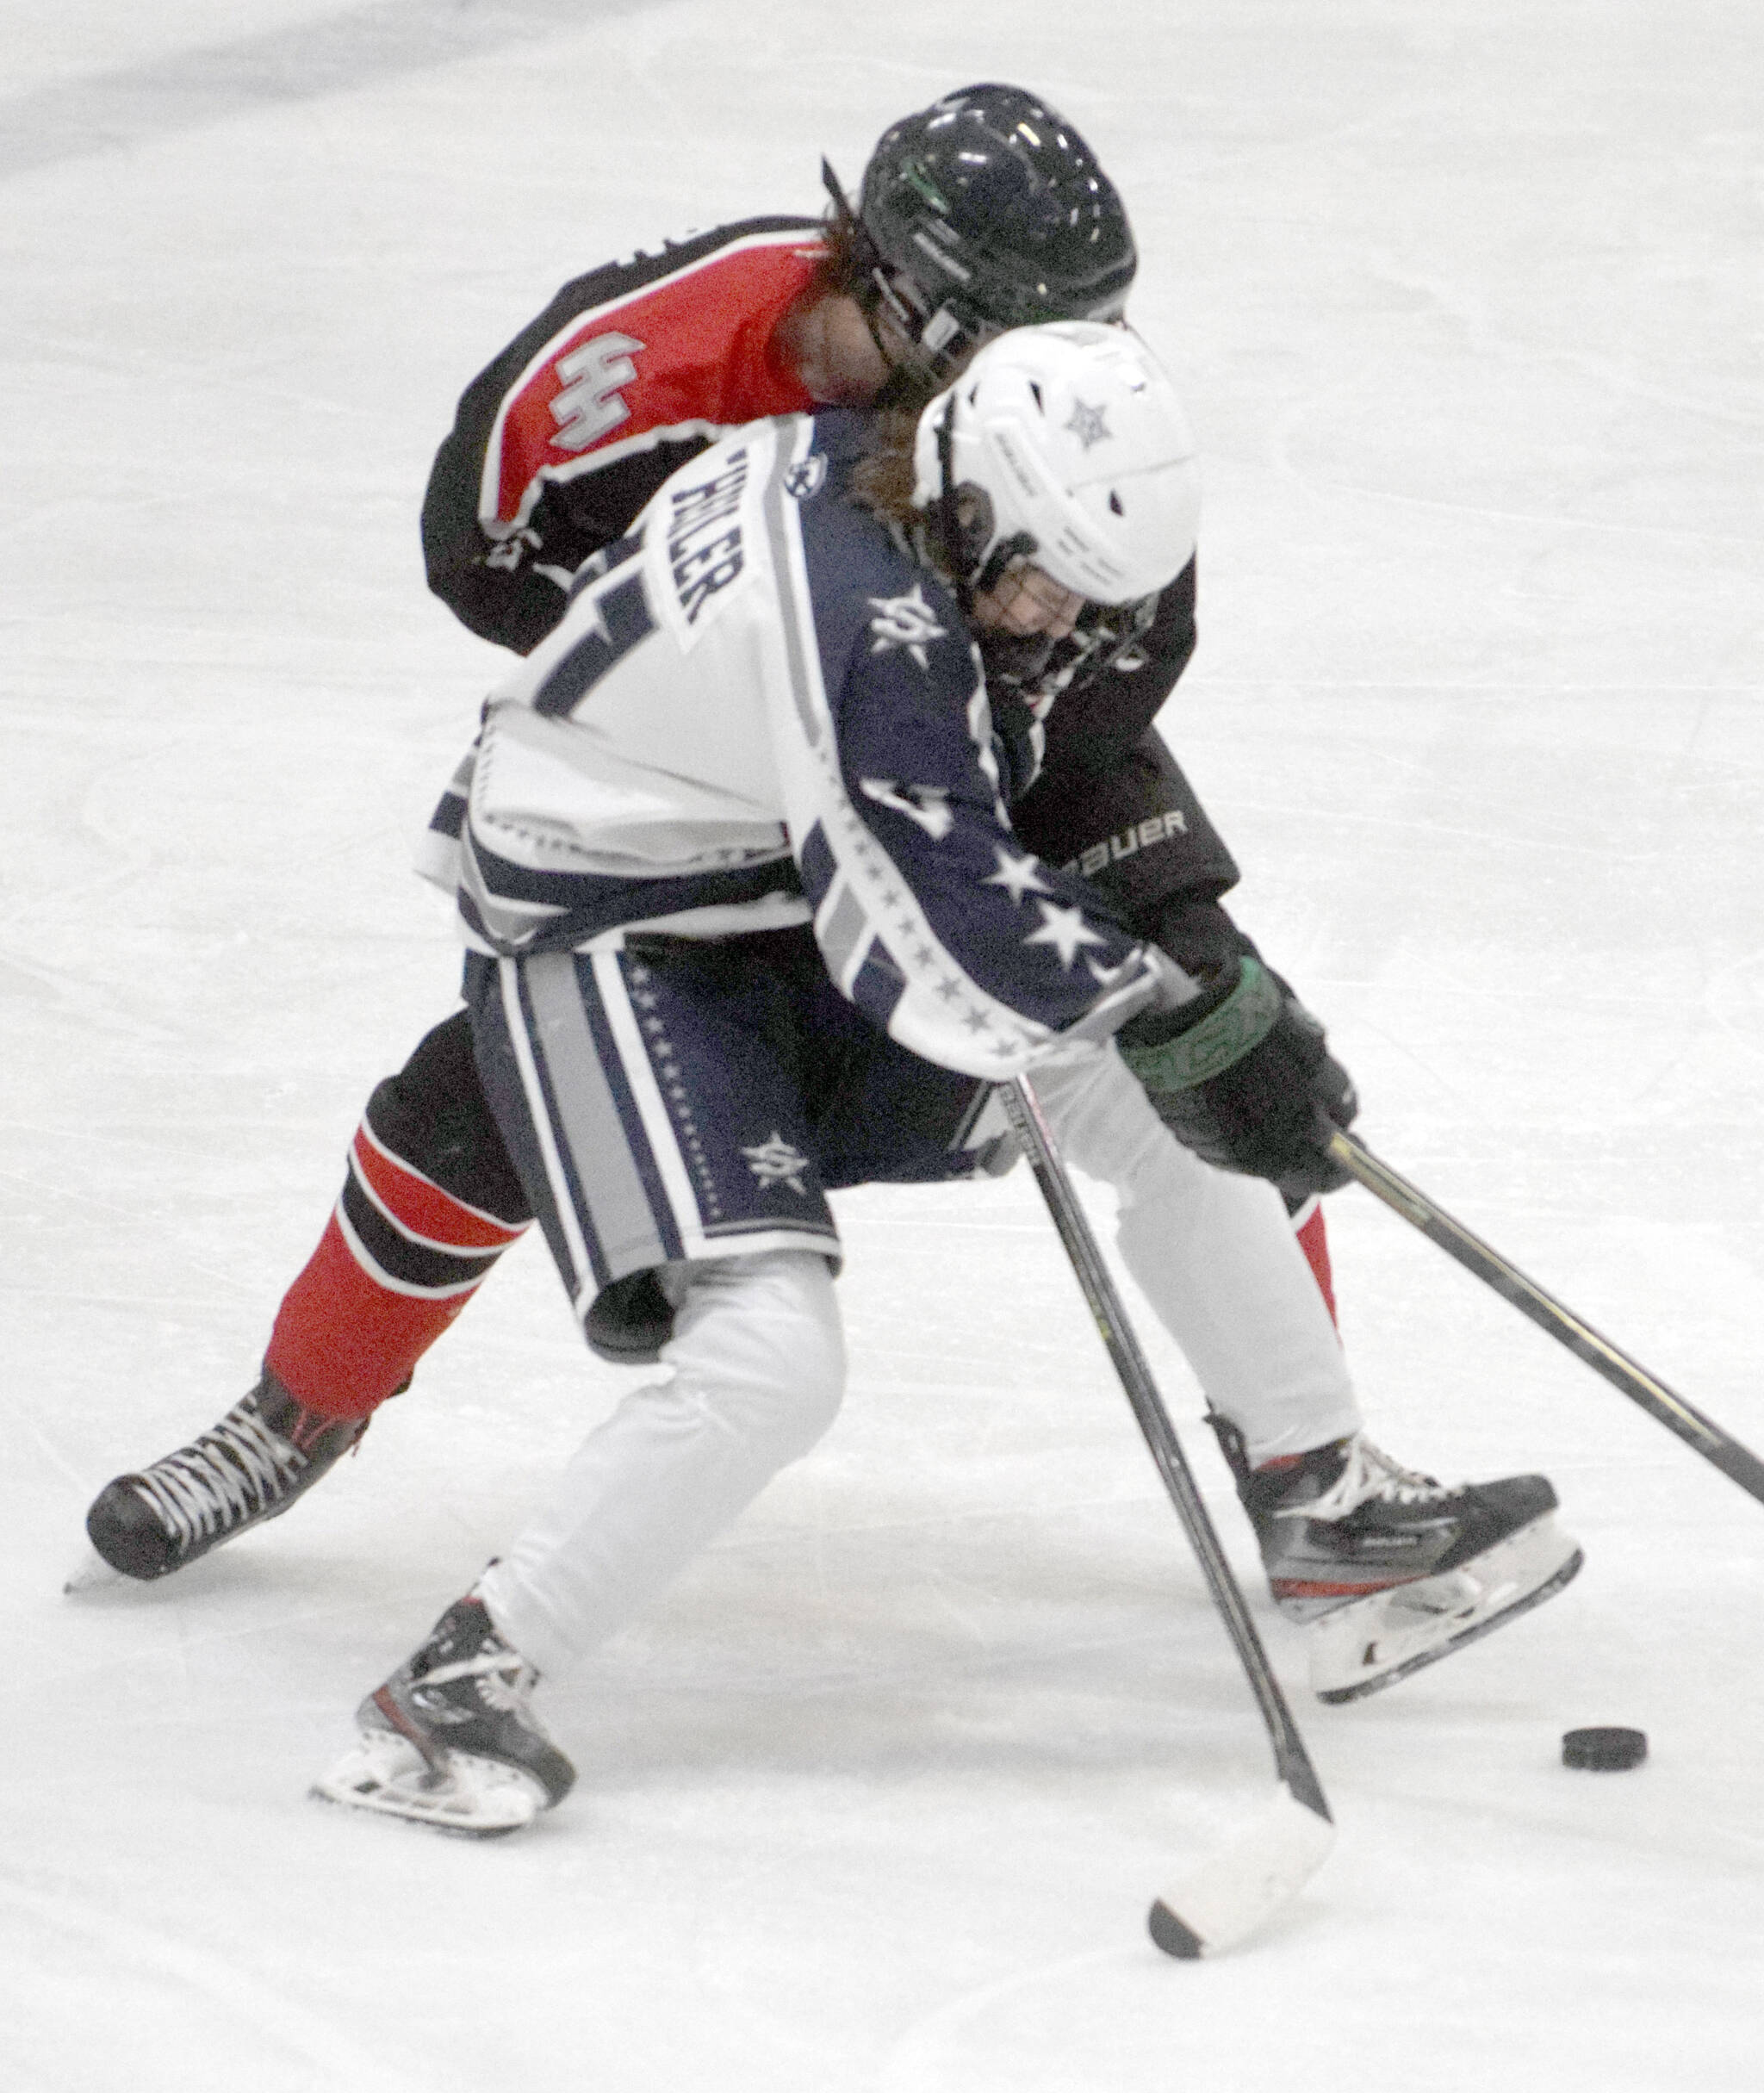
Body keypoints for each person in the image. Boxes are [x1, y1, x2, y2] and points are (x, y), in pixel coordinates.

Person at [84, 87, 1579, 1705]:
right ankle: (296, 1410)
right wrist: (708, 703)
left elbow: (1087, 716)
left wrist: (1170, 937)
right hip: (677, 831)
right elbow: (477, 540)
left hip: (927, 733)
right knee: (487, 1103)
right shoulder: (650, 372)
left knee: (1196, 1045)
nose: (1075, 367)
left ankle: (1312, 1480)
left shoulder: (1052, 448)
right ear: (918, 308)